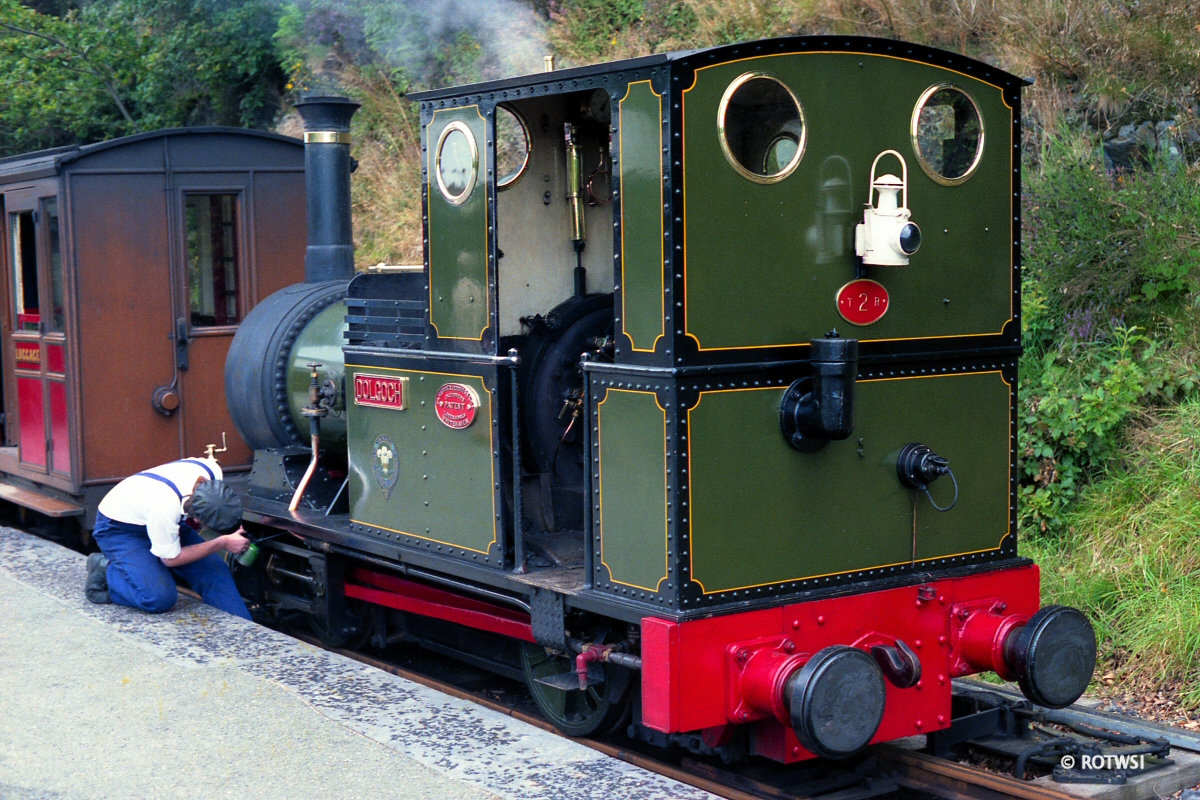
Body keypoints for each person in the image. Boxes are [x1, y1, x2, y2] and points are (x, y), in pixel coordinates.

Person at [84, 457, 252, 620]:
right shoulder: (164, 507)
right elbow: (171, 559)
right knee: (158, 598)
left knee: (214, 570)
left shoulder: (212, 471)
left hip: (154, 516)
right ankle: (106, 570)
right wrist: (221, 542)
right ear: (195, 518)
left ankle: (244, 629)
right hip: (120, 529)